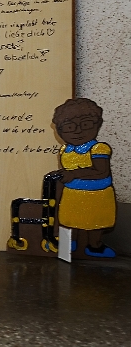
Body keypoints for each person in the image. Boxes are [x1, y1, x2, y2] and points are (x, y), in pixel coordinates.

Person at [53, 98, 117, 258]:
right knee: (71, 221)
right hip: (72, 194)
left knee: (95, 223)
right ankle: (71, 244)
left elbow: (101, 171)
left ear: (97, 124)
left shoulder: (98, 148)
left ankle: (94, 246)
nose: (78, 131)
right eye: (69, 127)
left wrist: (73, 174)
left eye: (86, 124)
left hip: (97, 195)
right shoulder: (64, 149)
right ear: (60, 130)